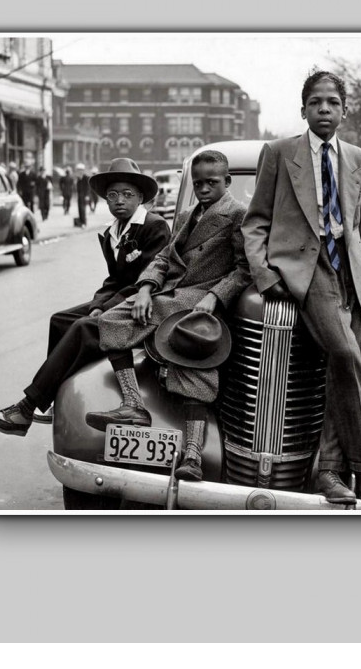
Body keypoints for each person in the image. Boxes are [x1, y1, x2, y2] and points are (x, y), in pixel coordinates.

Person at [241, 70, 361, 508]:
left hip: (351, 274)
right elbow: (255, 221)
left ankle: (329, 472)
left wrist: (354, 265)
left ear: (345, 110)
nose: (324, 109)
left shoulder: (360, 158)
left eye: (333, 102)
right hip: (307, 268)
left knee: (342, 370)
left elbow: (356, 225)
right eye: (315, 102)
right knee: (346, 355)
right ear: (303, 109)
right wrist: (266, 275)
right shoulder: (279, 152)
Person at [85, 150, 250, 478]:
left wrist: (215, 297)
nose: (204, 189)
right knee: (111, 320)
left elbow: (244, 269)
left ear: (227, 182)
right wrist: (146, 288)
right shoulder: (188, 214)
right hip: (169, 295)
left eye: (211, 182)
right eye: (198, 183)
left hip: (201, 300)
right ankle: (133, 404)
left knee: (192, 363)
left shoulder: (237, 214)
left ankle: (193, 457)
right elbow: (164, 257)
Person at [0, 159, 171, 436]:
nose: (119, 201)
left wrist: (103, 308)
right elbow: (114, 280)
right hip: (119, 299)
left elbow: (147, 281)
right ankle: (54, 398)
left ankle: (25, 409)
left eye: (127, 194)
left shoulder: (154, 226)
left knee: (83, 328)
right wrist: (98, 304)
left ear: (140, 198)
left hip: (143, 305)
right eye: (112, 195)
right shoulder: (113, 230)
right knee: (59, 320)